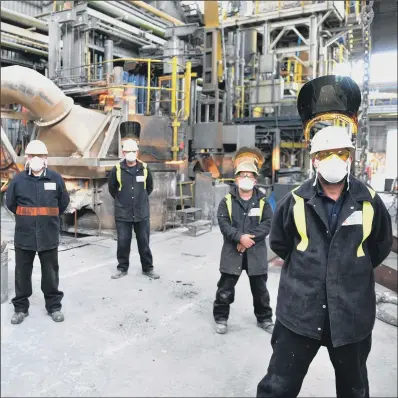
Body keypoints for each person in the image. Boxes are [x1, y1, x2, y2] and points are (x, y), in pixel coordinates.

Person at [257, 76, 393, 398]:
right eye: (326, 153)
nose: (334, 160)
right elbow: (279, 243)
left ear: (350, 156)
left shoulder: (370, 202)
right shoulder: (294, 202)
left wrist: (348, 267)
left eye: (341, 153)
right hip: (300, 313)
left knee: (354, 390)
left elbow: (379, 247)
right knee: (278, 387)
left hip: (351, 316)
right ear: (314, 159)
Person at [6, 140, 70, 324]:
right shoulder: (18, 180)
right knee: (22, 273)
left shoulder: (55, 179)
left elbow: (63, 203)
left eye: (39, 156)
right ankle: (20, 308)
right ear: (27, 158)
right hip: (24, 235)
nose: (35, 159)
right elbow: (10, 203)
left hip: (48, 235)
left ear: (45, 159)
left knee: (50, 273)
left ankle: (54, 307)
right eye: (32, 156)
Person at [214, 147, 274, 335]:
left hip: (255, 252)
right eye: (242, 175)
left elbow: (267, 224)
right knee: (225, 289)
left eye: (250, 175)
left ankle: (264, 319)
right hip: (233, 252)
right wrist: (239, 238)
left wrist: (249, 239)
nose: (246, 178)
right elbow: (224, 224)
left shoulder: (263, 201)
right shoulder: (227, 201)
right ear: (237, 178)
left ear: (255, 180)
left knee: (260, 290)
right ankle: (221, 318)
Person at [108, 139, 159, 280]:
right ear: (123, 152)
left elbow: (149, 188)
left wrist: (139, 200)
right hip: (123, 213)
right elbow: (112, 189)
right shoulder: (117, 169)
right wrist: (122, 201)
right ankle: (122, 268)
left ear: (137, 152)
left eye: (133, 151)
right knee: (123, 242)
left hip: (141, 213)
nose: (130, 154)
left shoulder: (144, 168)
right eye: (127, 151)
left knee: (144, 242)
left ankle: (148, 268)